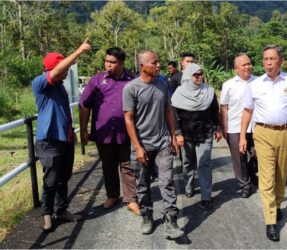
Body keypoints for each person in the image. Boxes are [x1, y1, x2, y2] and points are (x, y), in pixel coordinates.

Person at [239, 45, 287, 241]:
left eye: (272, 59)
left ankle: (277, 204)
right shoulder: (255, 84)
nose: (268, 63)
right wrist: (243, 136)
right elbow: (247, 111)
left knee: (281, 175)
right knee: (267, 177)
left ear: (281, 61)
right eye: (265, 59)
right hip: (262, 133)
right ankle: (270, 222)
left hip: (286, 133)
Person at [123, 50, 184, 239]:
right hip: (141, 145)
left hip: (163, 143)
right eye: (154, 62)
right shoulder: (131, 88)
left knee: (167, 181)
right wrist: (138, 147)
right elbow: (128, 119)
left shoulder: (162, 84)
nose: (158, 65)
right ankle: (147, 216)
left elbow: (168, 110)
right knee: (142, 184)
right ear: (142, 66)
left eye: (159, 61)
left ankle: (171, 221)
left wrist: (173, 136)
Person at [32, 39, 91, 231]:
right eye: (64, 68)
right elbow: (57, 71)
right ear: (54, 68)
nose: (66, 73)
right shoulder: (41, 83)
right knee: (51, 178)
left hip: (64, 139)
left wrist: (71, 133)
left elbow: (62, 113)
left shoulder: (60, 87)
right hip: (48, 141)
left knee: (63, 177)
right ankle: (47, 214)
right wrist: (78, 51)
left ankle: (61, 210)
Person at [79, 47, 140, 215]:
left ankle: (131, 199)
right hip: (103, 133)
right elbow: (85, 106)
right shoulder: (96, 81)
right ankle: (112, 196)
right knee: (108, 166)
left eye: (112, 62)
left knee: (128, 165)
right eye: (106, 61)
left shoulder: (132, 81)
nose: (108, 65)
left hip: (126, 132)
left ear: (121, 63)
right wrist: (83, 130)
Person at [172, 63, 222, 210]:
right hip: (186, 134)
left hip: (205, 131)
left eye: (201, 74)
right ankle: (188, 187)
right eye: (196, 75)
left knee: (204, 164)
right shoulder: (179, 93)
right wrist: (178, 133)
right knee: (187, 163)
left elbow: (214, 111)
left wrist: (218, 128)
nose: (200, 77)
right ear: (188, 76)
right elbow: (175, 116)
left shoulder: (209, 92)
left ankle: (206, 196)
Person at [220, 53, 258, 198]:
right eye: (244, 65)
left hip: (256, 126)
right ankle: (245, 185)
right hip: (235, 126)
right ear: (236, 68)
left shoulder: (259, 82)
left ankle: (250, 172)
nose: (248, 67)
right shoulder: (228, 85)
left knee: (258, 154)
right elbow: (224, 107)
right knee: (239, 158)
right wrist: (225, 127)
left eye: (249, 63)